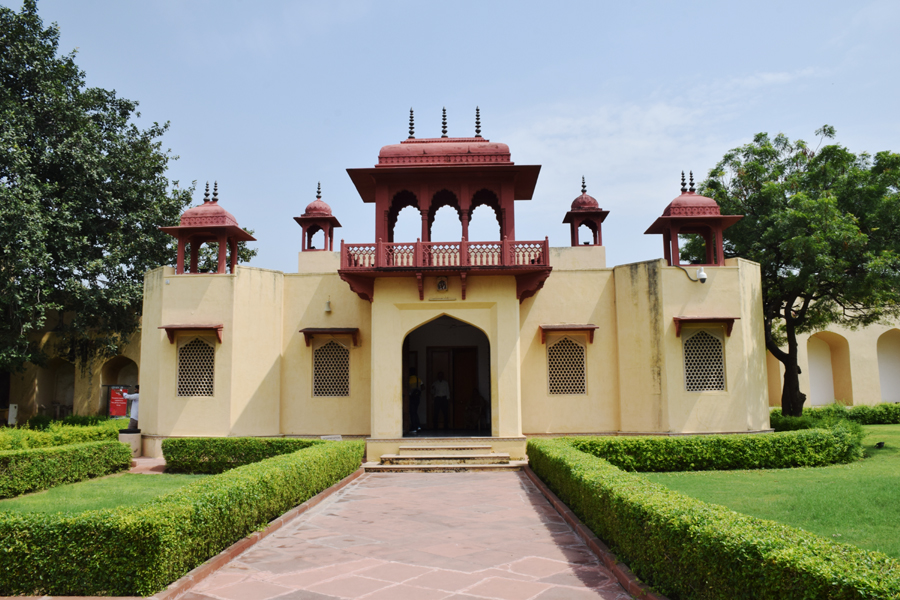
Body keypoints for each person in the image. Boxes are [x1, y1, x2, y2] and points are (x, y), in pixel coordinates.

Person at [408, 367, 422, 433]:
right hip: (417, 397)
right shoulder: (418, 379)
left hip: (411, 397)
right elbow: (423, 387)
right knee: (415, 412)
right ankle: (418, 426)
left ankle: (414, 427)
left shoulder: (409, 379)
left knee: (412, 412)